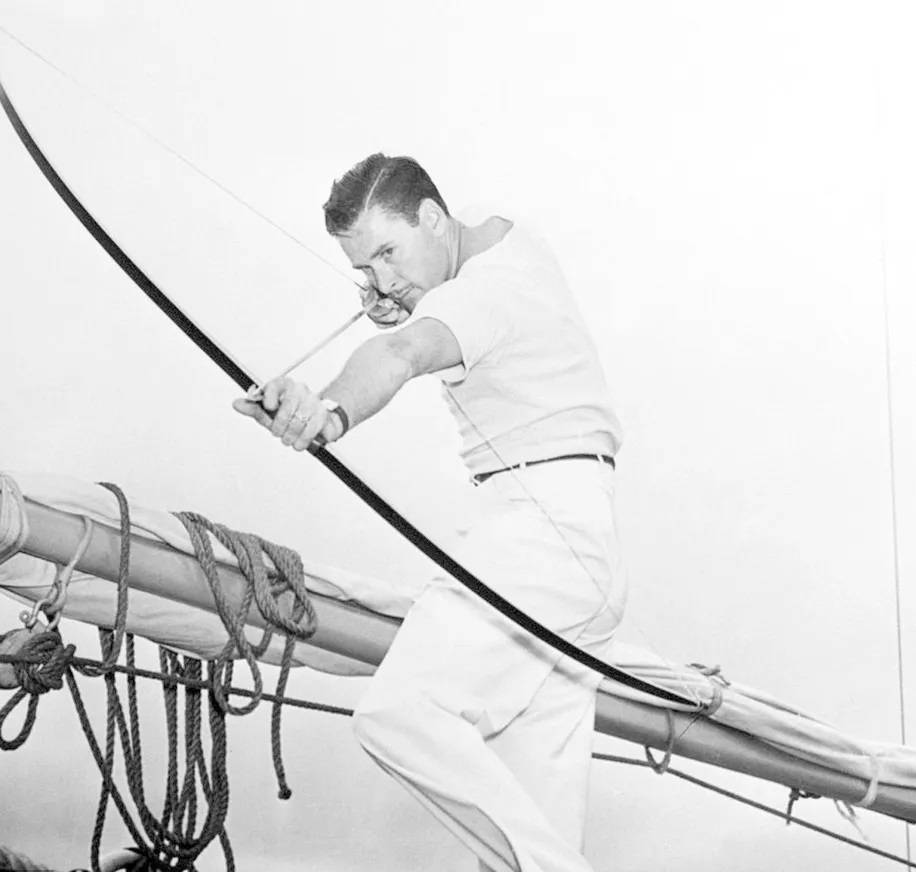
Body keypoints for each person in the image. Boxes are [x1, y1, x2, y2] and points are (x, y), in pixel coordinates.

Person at [232, 153, 626, 872]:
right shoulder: (507, 243)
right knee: (525, 839)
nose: (380, 280)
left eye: (388, 252)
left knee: (400, 715)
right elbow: (427, 304)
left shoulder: (480, 295)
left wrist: (326, 413)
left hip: (540, 537)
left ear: (434, 218)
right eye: (365, 268)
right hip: (579, 548)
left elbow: (402, 352)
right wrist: (410, 286)